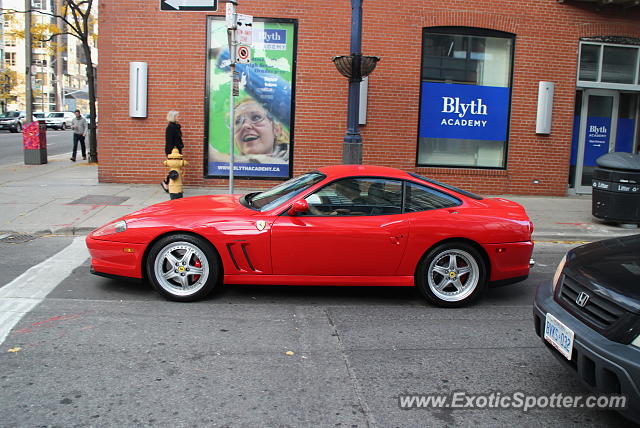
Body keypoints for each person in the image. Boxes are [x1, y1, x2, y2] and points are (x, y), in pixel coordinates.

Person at [209, 98, 289, 164]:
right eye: (238, 121)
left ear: (277, 129)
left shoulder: (291, 162)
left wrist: (216, 157)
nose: (245, 125)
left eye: (256, 117)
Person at [161, 110, 184, 192]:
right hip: (173, 151)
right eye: (178, 116)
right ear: (173, 117)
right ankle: (166, 182)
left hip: (177, 150)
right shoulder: (170, 127)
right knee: (174, 168)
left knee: (177, 168)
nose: (179, 118)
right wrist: (172, 152)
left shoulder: (176, 126)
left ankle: (168, 183)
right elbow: (169, 141)